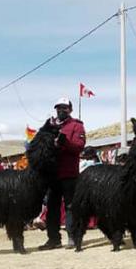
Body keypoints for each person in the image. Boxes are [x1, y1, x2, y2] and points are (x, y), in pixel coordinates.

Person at [39, 97, 86, 251]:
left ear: (70, 110)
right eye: (59, 108)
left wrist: (64, 141)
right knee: (52, 207)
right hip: (52, 173)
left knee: (71, 206)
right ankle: (53, 239)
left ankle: (72, 236)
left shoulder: (76, 126)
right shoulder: (50, 125)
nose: (61, 110)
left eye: (64, 108)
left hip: (69, 173)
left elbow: (79, 146)